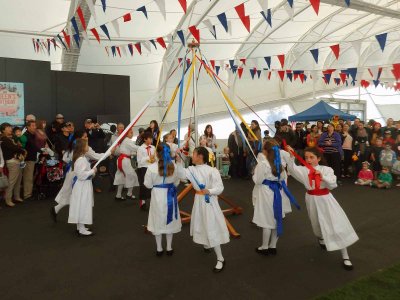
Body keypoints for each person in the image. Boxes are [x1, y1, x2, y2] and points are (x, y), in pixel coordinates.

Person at [285, 146, 359, 271]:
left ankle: (345, 256)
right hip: (311, 199)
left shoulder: (326, 169)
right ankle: (320, 238)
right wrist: (292, 157)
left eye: (311, 157)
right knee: (316, 224)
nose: (308, 160)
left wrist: (322, 176)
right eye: (306, 157)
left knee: (336, 224)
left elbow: (333, 184)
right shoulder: (303, 170)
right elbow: (292, 170)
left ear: (318, 158)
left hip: (326, 199)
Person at [177, 147, 228, 273]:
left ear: (200, 156)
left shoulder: (212, 170)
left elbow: (220, 187)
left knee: (212, 226)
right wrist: (178, 161)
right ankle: (206, 243)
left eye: (193, 154)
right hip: (199, 202)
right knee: (201, 222)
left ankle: (220, 258)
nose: (191, 156)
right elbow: (180, 174)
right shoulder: (191, 169)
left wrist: (209, 191)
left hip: (209, 202)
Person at [252, 140, 299, 256]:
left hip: (265, 193)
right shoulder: (279, 165)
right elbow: (283, 178)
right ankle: (273, 246)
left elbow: (257, 181)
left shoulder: (262, 164)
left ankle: (264, 247)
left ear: (266, 151)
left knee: (267, 220)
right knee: (276, 218)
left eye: (263, 148)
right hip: (277, 192)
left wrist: (254, 173)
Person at [51, 131, 106, 221]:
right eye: (84, 137)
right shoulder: (84, 149)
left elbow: (65, 158)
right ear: (78, 139)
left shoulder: (72, 147)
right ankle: (81, 218)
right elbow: (96, 156)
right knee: (79, 196)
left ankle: (57, 210)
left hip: (71, 172)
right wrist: (108, 153)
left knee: (70, 194)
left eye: (86, 136)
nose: (86, 138)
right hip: (77, 175)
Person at [145, 145, 181, 256]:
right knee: (169, 219)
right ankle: (169, 247)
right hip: (170, 194)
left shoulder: (151, 168)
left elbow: (147, 184)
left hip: (157, 196)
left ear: (156, 154)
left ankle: (159, 248)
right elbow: (176, 182)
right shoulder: (173, 166)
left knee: (158, 219)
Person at [68, 139, 97, 236]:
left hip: (83, 185)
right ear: (82, 147)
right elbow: (81, 175)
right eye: (87, 145)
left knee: (81, 204)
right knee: (82, 205)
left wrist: (91, 172)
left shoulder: (82, 158)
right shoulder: (81, 160)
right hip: (82, 186)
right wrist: (92, 171)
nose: (88, 146)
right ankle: (81, 229)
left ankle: (80, 226)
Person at [0, 123, 26, 207]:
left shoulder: (12, 137)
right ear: (3, 130)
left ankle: (16, 196)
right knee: (12, 181)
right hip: (11, 161)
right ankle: (8, 199)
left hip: (17, 161)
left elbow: (19, 145)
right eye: (8, 128)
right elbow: (15, 148)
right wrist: (21, 149)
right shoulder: (4, 139)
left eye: (10, 127)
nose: (10, 129)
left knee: (18, 180)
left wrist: (19, 147)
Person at [113, 129, 139, 201]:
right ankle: (129, 194)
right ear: (126, 134)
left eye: (132, 132)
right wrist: (143, 148)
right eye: (131, 133)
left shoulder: (125, 140)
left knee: (121, 177)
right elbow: (134, 148)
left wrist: (135, 152)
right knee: (132, 175)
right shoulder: (127, 140)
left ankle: (118, 195)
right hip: (124, 160)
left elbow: (131, 151)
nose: (132, 134)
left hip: (121, 160)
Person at [137, 132, 155, 210]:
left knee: (152, 184)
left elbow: (155, 158)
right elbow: (139, 161)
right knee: (144, 185)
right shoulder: (140, 148)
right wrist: (148, 157)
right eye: (149, 138)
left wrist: (154, 159)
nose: (151, 140)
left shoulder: (153, 147)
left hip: (151, 168)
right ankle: (143, 201)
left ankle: (152, 200)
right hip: (143, 168)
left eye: (151, 138)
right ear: (145, 139)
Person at [23, 120, 41, 200]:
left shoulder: (32, 135)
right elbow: (33, 146)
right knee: (28, 177)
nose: (35, 127)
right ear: (28, 127)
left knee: (29, 177)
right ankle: (27, 195)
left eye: (35, 125)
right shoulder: (26, 135)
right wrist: (42, 150)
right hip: (28, 159)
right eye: (33, 126)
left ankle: (28, 193)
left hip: (32, 158)